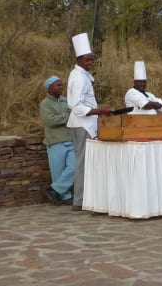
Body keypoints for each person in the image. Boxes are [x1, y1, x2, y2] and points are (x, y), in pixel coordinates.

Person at [66, 32, 114, 211]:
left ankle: (85, 198)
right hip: (82, 124)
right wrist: (100, 111)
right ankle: (78, 200)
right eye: (87, 60)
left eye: (91, 60)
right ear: (79, 59)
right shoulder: (78, 77)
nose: (90, 63)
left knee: (87, 162)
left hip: (88, 123)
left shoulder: (83, 75)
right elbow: (76, 106)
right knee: (82, 162)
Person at [39, 75, 74, 205]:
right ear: (49, 88)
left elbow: (74, 115)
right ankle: (65, 196)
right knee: (57, 172)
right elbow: (50, 120)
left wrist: (64, 117)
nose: (61, 87)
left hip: (70, 139)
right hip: (55, 141)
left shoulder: (66, 101)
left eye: (61, 84)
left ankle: (54, 190)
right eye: (58, 85)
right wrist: (66, 116)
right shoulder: (45, 104)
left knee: (74, 167)